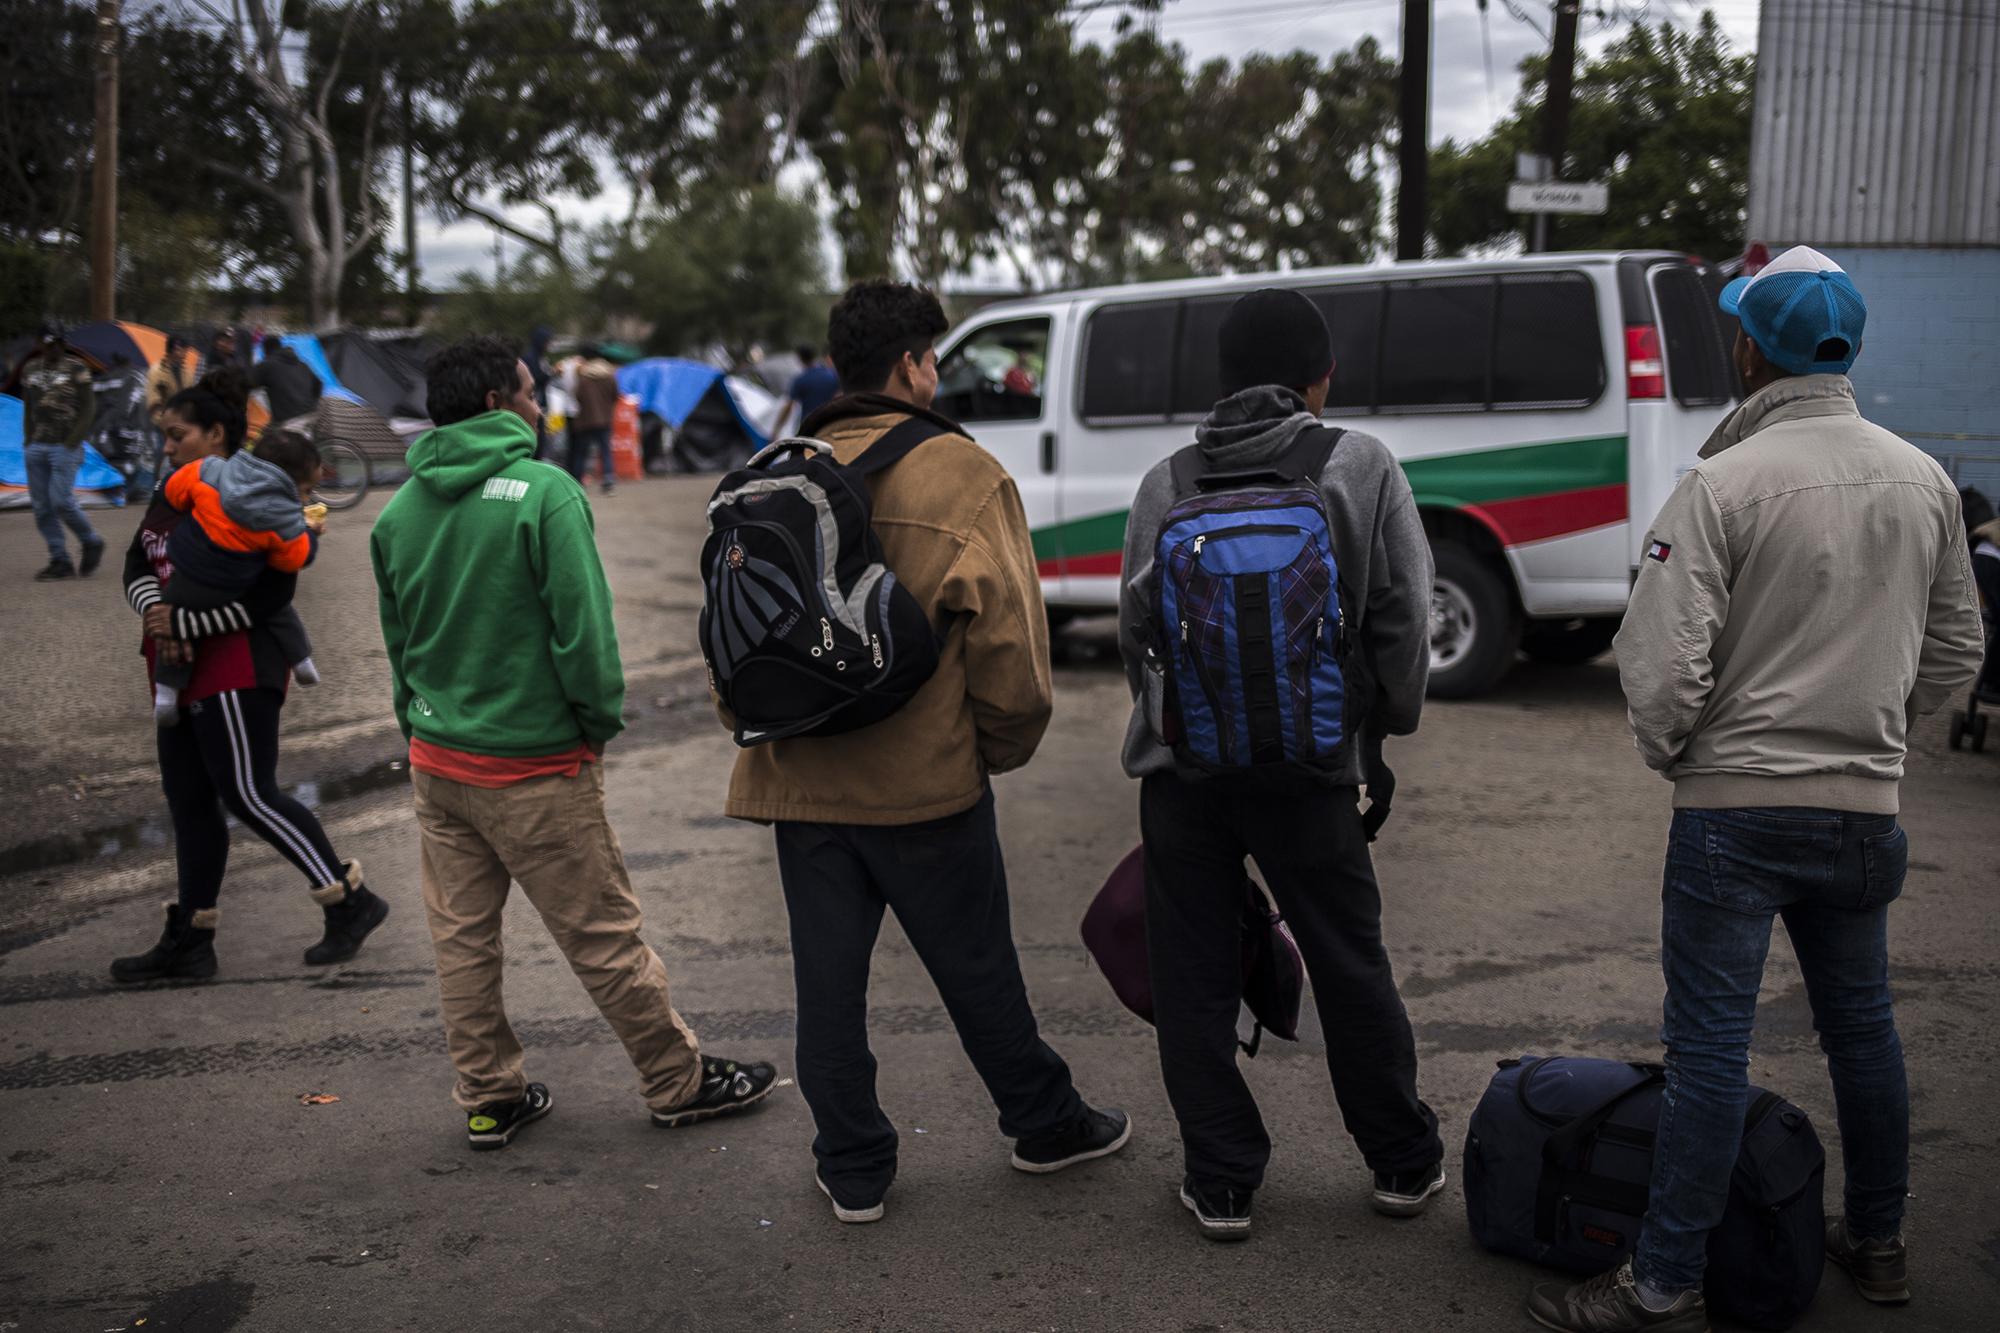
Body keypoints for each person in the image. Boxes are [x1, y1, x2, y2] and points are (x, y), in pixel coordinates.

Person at [1530, 247, 1985, 1332]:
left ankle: (1663, 1283)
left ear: (1748, 348)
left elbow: (1656, 665)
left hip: (1731, 815)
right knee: (1863, 1032)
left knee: (1705, 1052)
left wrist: (1684, 753)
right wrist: (1883, 747)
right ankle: (1877, 1243)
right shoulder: (1921, 480)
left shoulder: (1720, 483)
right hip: (1861, 817)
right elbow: (1959, 648)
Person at [723, 280, 1130, 1225]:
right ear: (912, 365)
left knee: (826, 987)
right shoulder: (965, 474)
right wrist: (984, 750)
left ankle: (853, 1164)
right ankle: (1044, 1124)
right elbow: (1013, 668)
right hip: (925, 788)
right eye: (933, 360)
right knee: (979, 968)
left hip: (799, 788)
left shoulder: (772, 466)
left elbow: (733, 641)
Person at [371, 335, 777, 1150]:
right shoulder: (543, 494)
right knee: (602, 934)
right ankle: (677, 1079)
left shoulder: (396, 512)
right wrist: (593, 725)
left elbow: (399, 644)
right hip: (534, 764)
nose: (538, 403)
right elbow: (584, 639)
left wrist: (417, 725)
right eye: (527, 391)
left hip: (439, 763)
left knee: (462, 940)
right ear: (494, 402)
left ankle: (488, 1094)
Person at [1116, 288, 1441, 1242]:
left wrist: (1191, 718)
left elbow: (1139, 633)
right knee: (1349, 960)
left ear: (1221, 380)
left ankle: (1222, 1179)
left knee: (1193, 973)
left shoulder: (1166, 480)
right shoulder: (1360, 465)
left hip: (1186, 776)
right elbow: (1404, 618)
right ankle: (1399, 1161)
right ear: (1320, 377)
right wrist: (1375, 735)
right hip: (1312, 769)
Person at [111, 369, 388, 984]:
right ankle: (191, 938)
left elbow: (271, 597)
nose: (167, 446)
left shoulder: (263, 496)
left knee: (248, 791)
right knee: (188, 801)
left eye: (177, 434)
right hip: (172, 659)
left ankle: (349, 901)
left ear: (216, 435)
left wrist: (186, 624)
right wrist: (154, 611)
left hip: (237, 661)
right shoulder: (174, 490)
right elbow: (137, 562)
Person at [151, 429, 325, 725]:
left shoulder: (212, 470)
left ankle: (166, 695)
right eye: (306, 490)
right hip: (235, 586)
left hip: (187, 577)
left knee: (169, 628)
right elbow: (293, 559)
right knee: (279, 608)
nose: (307, 498)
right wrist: (309, 533)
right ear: (287, 482)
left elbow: (175, 488)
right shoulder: (282, 516)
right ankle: (301, 660)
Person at [9, 325, 104, 581]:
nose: (53, 348)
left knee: (61, 501)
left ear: (63, 344)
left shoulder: (77, 368)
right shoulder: (30, 369)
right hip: (37, 445)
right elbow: (28, 405)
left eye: (57, 343)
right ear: (40, 344)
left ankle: (90, 540)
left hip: (65, 446)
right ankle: (59, 559)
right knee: (41, 507)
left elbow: (88, 408)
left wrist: (73, 441)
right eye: (47, 343)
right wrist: (28, 440)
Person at [564, 343, 620, 494]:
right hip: (605, 419)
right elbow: (616, 395)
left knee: (581, 452)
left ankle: (577, 483)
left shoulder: (583, 374)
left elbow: (577, 396)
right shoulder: (609, 373)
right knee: (605, 451)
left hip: (585, 419)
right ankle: (608, 481)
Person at [247, 335, 323, 425]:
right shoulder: (302, 364)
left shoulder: (267, 365)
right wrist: (310, 403)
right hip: (311, 416)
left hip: (287, 421)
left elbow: (246, 384)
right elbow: (319, 384)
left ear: (265, 350)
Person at [775, 344, 839, 437]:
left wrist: (776, 429)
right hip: (830, 424)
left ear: (800, 359)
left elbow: (788, 407)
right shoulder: (831, 375)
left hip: (809, 426)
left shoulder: (801, 379)